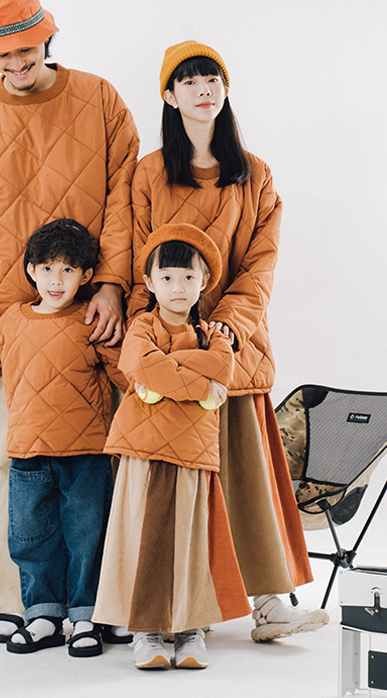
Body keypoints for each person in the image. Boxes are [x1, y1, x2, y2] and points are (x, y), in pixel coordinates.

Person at [0, 0, 139, 638]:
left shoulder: (100, 100)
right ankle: (12, 601)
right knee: (6, 465)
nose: (16, 65)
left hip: (91, 320)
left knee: (97, 466)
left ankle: (97, 604)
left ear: (48, 38)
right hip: (5, 326)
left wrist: (111, 285)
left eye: (26, 51)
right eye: (2, 57)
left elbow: (125, 202)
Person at [128, 40, 328, 643]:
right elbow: (135, 259)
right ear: (169, 96)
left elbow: (260, 267)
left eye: (212, 79)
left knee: (247, 479)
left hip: (233, 349)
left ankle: (270, 605)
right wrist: (162, 334)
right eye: (188, 81)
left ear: (225, 89)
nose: (203, 90)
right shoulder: (148, 173)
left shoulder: (255, 175)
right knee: (174, 485)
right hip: (167, 350)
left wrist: (224, 330)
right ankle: (179, 609)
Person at [0, 219, 125, 657]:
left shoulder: (90, 321)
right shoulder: (13, 321)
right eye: (47, 269)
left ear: (87, 275)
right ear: (31, 270)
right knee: (32, 540)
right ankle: (43, 614)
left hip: (85, 456)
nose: (56, 280)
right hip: (28, 457)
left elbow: (124, 372)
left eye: (68, 270)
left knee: (87, 538)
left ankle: (86, 616)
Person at [93, 223, 247, 670]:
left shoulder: (215, 336)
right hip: (144, 448)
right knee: (144, 537)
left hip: (194, 451)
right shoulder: (142, 326)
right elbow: (139, 364)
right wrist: (198, 386)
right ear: (149, 282)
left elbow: (221, 368)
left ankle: (190, 627)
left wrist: (164, 376)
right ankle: (147, 629)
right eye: (166, 278)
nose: (177, 288)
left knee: (190, 539)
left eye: (188, 277)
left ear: (204, 282)